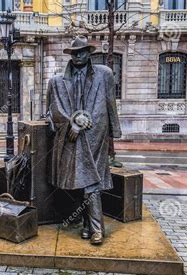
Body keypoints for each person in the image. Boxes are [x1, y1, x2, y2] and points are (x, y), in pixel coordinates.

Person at [46, 36, 122, 245]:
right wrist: (72, 121)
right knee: (83, 180)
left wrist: (113, 130)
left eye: (82, 51)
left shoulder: (104, 74)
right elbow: (52, 111)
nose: (78, 55)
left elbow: (109, 103)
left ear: (89, 52)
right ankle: (88, 226)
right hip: (71, 138)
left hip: (95, 133)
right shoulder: (57, 81)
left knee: (91, 180)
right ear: (70, 55)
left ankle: (97, 229)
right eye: (74, 52)